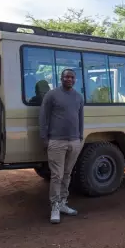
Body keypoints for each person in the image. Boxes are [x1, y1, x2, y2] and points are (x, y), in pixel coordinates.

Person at [39, 68, 84, 224]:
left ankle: (63, 203)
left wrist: (80, 136)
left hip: (74, 141)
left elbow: (80, 118)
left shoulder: (78, 97)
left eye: (71, 77)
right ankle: (55, 207)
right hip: (56, 141)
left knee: (67, 174)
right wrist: (44, 138)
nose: (69, 79)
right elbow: (43, 117)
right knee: (56, 175)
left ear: (75, 79)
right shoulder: (51, 95)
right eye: (66, 77)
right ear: (61, 78)